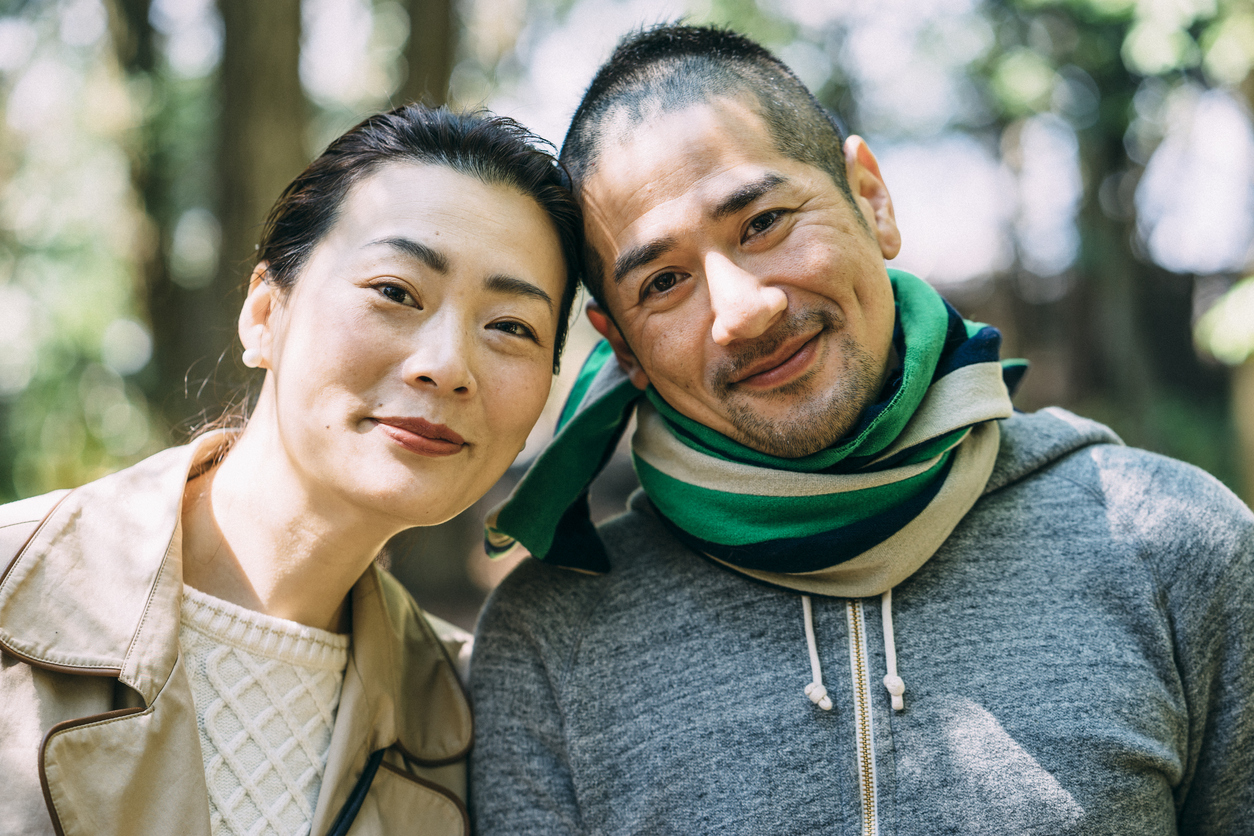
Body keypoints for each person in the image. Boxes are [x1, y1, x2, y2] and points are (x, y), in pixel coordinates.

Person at [469, 24, 1254, 835]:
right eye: (664, 281)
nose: (743, 311)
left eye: (764, 222)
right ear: (624, 345)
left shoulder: (1171, 548)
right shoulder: (550, 644)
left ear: (871, 199)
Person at [0, 103, 581, 836]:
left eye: (511, 327)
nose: (446, 365)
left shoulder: (474, 718)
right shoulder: (14, 588)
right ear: (264, 314)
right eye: (395, 291)